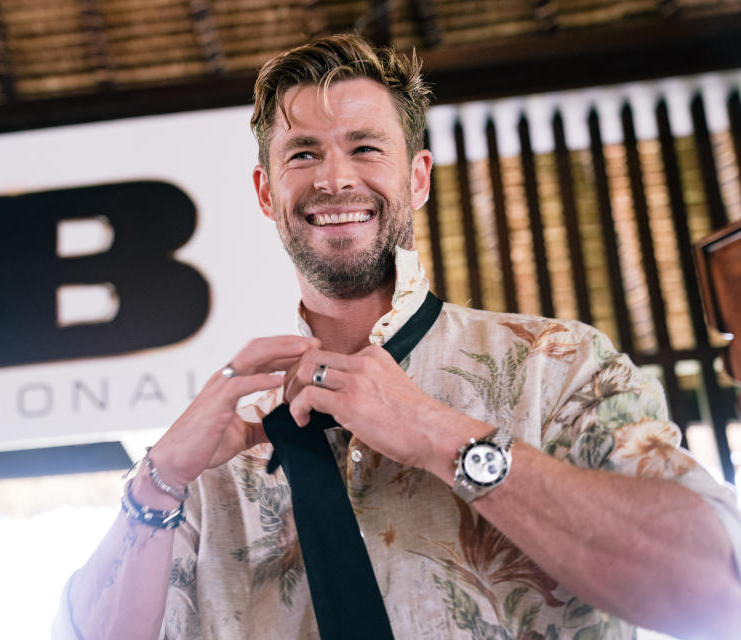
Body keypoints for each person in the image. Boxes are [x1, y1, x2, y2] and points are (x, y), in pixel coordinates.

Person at [54, 34, 741, 639]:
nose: (334, 178)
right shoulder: (213, 464)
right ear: (267, 194)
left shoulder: (558, 367)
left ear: (416, 179)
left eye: (365, 147)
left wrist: (441, 434)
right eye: (303, 154)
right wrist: (159, 482)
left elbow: (720, 590)